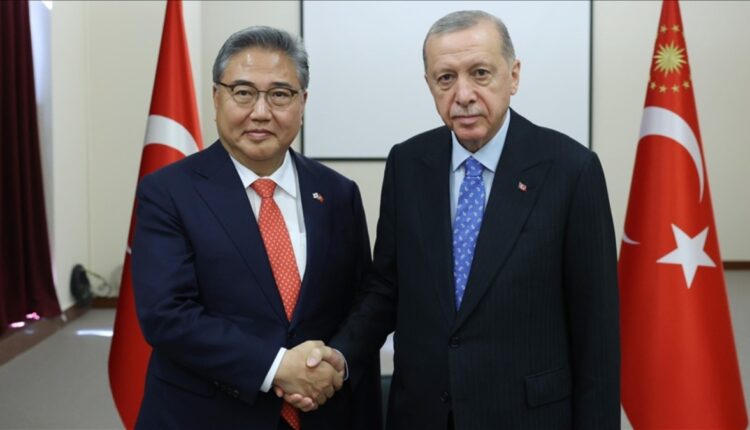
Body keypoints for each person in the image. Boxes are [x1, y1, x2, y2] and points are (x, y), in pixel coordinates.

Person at [291, 10, 620, 429]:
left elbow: (597, 333)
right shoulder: (408, 163)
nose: (463, 94)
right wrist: (340, 355)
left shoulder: (571, 170)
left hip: (527, 417)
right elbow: (386, 289)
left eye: (480, 73)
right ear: (429, 83)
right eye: (445, 78)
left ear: (513, 76)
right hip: (422, 415)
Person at [131, 26, 381, 430]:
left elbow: (362, 300)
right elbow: (167, 315)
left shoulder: (338, 193)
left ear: (302, 102)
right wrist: (278, 367)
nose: (261, 112)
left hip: (322, 413)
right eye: (243, 93)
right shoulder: (167, 192)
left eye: (280, 94)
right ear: (217, 98)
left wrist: (335, 362)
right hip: (206, 416)